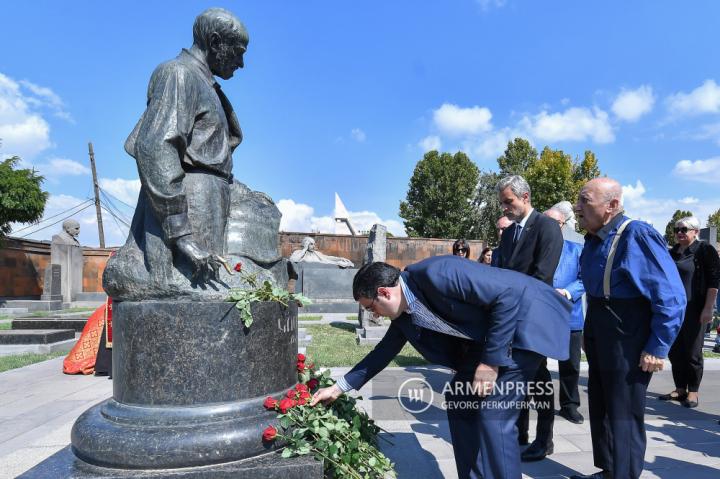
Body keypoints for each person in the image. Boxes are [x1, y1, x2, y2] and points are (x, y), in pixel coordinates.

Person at [311, 257, 571, 479]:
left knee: (494, 415)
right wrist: (337, 388)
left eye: (371, 308)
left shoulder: (438, 272)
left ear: (384, 292)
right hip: (493, 335)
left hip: (527, 321)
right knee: (459, 397)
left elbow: (508, 295)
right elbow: (382, 353)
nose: (374, 315)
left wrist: (490, 361)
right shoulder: (404, 315)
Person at [103, 8, 249, 299]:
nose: (241, 63)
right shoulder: (179, 74)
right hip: (190, 205)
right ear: (215, 41)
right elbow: (156, 148)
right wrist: (182, 234)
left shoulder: (206, 84)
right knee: (198, 294)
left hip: (210, 199)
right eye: (237, 51)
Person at [571, 177, 685, 479]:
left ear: (612, 205)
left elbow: (671, 297)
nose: (577, 207)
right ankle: (610, 469)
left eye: (585, 200)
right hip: (600, 326)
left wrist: (657, 347)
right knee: (602, 404)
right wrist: (590, 330)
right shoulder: (594, 238)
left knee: (624, 412)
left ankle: (625, 474)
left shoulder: (637, 235)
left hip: (627, 332)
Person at [495, 175, 564, 460]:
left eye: (508, 202)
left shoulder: (547, 228)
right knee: (516, 380)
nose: (504, 208)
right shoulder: (510, 233)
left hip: (534, 317)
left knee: (539, 382)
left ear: (525, 197)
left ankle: (544, 440)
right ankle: (519, 434)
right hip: (511, 317)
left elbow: (542, 276)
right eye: (502, 203)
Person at [659, 216, 720, 408]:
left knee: (693, 352)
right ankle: (680, 389)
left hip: (696, 309)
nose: (679, 233)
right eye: (677, 229)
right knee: (675, 351)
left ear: (695, 231)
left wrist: (709, 307)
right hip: (674, 310)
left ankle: (693, 391)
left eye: (684, 229)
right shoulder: (672, 252)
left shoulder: (704, 250)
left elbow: (713, 281)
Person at [544, 208, 586, 424]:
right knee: (536, 364)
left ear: (563, 225)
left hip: (570, 315)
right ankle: (540, 401)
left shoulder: (578, 250)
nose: (551, 228)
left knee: (570, 364)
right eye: (547, 223)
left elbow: (584, 278)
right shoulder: (535, 250)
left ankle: (569, 406)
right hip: (540, 316)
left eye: (556, 224)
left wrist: (567, 292)